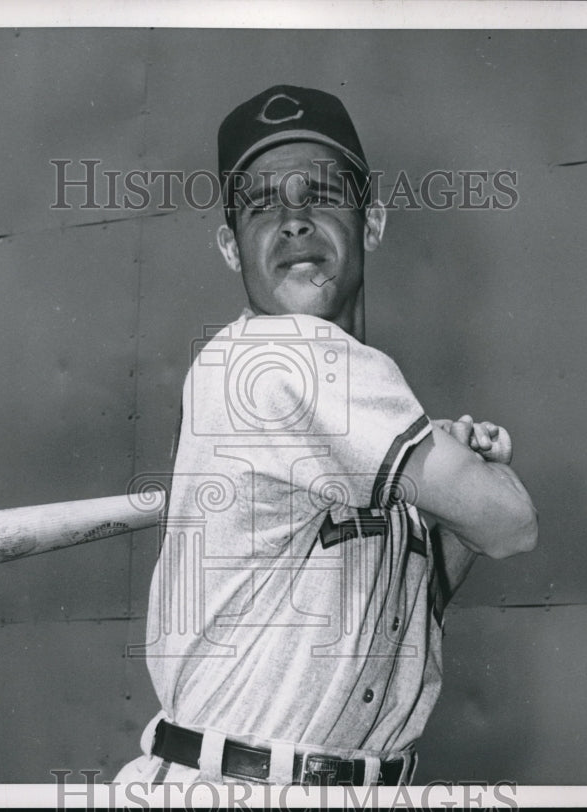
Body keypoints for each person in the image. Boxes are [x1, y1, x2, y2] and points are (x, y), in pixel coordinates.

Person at [115, 84, 538, 787]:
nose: (293, 222)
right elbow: (513, 524)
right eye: (261, 206)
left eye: (321, 195)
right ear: (230, 247)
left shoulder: (357, 410)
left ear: (371, 222)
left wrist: (450, 502)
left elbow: (414, 603)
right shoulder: (274, 360)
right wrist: (473, 482)